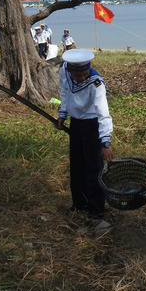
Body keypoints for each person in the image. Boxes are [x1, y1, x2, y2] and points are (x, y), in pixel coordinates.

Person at [55, 49, 114, 229]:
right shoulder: (65, 71)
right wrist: (63, 113)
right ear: (70, 70)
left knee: (93, 167)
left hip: (91, 125)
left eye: (84, 73)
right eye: (78, 74)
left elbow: (103, 114)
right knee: (77, 165)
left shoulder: (96, 83)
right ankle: (79, 203)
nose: (81, 77)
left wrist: (105, 142)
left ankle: (96, 210)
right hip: (76, 124)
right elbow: (65, 93)